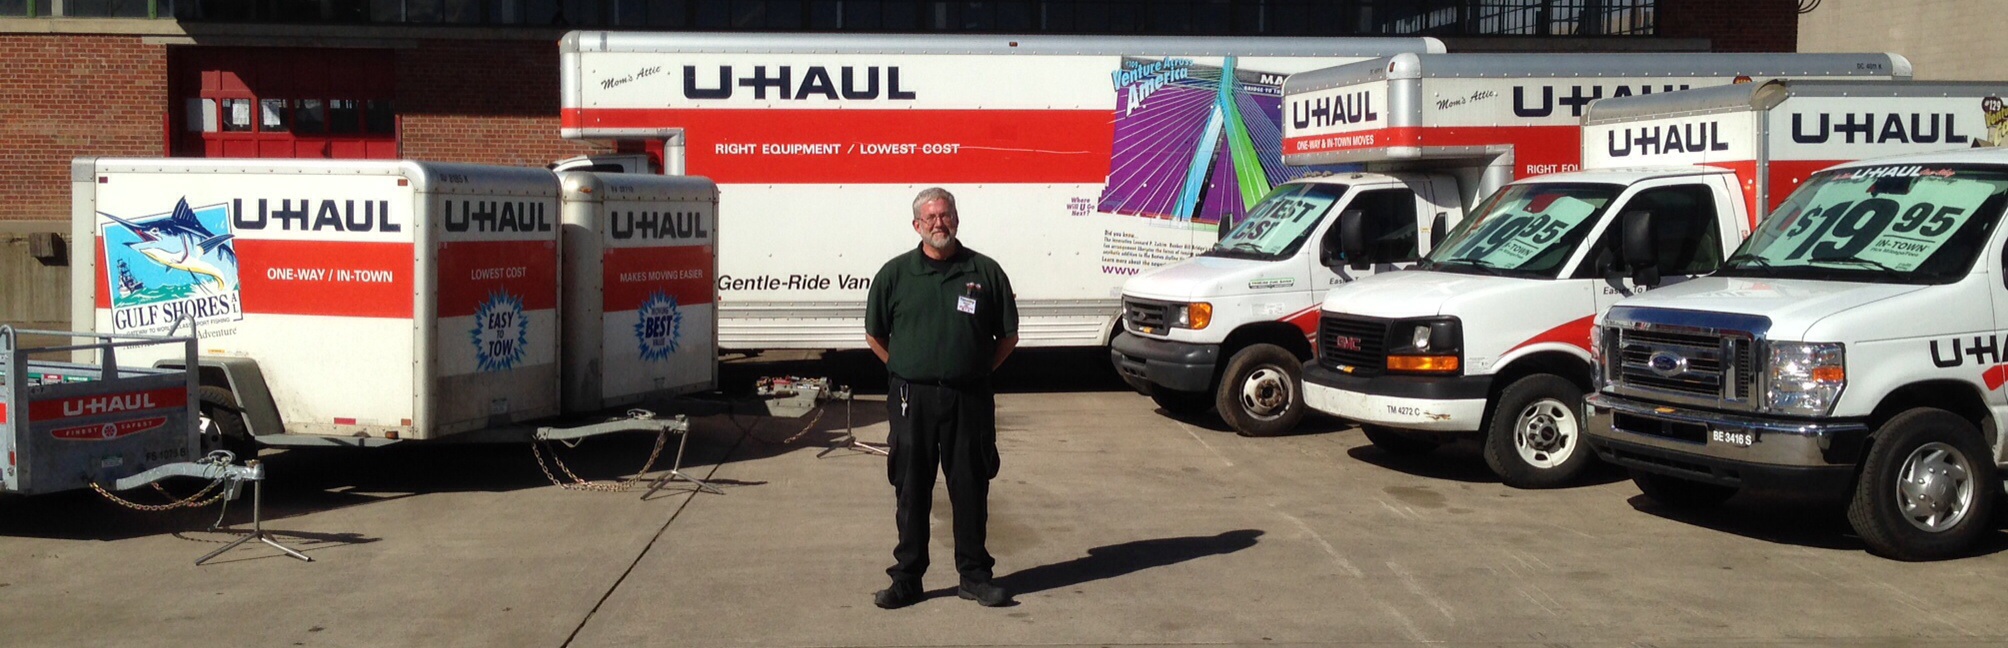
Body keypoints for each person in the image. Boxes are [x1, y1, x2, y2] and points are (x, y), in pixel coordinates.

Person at [864, 187, 1019, 609]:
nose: (938, 223)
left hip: (969, 399)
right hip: (911, 400)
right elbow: (874, 334)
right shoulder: (895, 274)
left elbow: (1008, 337)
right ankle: (907, 578)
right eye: (930, 217)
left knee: (970, 486)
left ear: (956, 219)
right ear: (916, 225)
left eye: (945, 215)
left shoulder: (984, 271)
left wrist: (976, 369)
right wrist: (904, 367)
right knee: (911, 487)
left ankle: (974, 576)